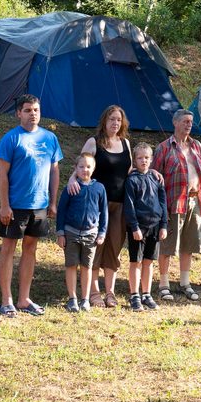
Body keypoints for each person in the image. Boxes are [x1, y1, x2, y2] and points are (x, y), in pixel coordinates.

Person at [0, 93, 61, 318]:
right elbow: (2, 174)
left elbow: (54, 171)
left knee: (30, 249)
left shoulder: (50, 138)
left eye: (36, 110)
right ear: (18, 113)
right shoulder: (11, 139)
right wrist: (5, 205)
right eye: (28, 110)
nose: (33, 114)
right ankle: (6, 300)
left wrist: (53, 202)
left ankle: (23, 299)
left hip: (40, 205)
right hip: (16, 206)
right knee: (8, 249)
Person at [64, 105, 130, 307]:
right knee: (95, 248)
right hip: (96, 205)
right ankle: (93, 292)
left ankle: (110, 292)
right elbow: (81, 165)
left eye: (118, 120)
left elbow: (130, 170)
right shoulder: (94, 142)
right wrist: (71, 180)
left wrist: (151, 173)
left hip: (120, 205)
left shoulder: (125, 143)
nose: (115, 123)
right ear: (104, 121)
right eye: (111, 119)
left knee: (114, 249)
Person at [155, 110, 201, 302]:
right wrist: (159, 205)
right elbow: (155, 177)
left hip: (194, 200)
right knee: (168, 245)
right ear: (175, 123)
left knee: (189, 243)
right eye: (185, 121)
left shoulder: (197, 146)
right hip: (173, 201)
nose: (189, 125)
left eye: (191, 121)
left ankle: (185, 283)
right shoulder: (164, 148)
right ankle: (163, 285)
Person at [57, 152, 108, 312]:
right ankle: (72, 299)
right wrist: (60, 233)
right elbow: (61, 211)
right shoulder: (71, 187)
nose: (85, 170)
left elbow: (104, 212)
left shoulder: (99, 188)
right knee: (71, 265)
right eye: (81, 166)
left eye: (88, 167)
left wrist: (102, 232)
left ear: (93, 169)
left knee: (87, 267)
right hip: (71, 233)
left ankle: (85, 299)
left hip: (91, 235)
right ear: (75, 168)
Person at [121, 142, 168, 311]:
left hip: (155, 225)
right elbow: (129, 205)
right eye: (140, 158)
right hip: (138, 228)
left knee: (149, 261)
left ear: (151, 159)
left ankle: (146, 294)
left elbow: (163, 202)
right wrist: (134, 227)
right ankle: (134, 295)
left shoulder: (156, 178)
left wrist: (163, 225)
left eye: (147, 157)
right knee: (136, 261)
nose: (144, 161)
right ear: (135, 160)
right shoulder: (131, 180)